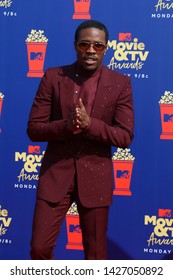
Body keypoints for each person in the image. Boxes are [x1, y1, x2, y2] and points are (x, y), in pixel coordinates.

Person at [27, 19, 134, 260]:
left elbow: (125, 136)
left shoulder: (120, 83)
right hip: (55, 175)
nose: (91, 51)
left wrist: (90, 125)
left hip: (96, 177)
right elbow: (34, 129)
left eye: (98, 46)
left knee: (95, 256)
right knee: (39, 248)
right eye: (85, 44)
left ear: (106, 48)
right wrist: (66, 126)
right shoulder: (53, 77)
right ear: (75, 46)